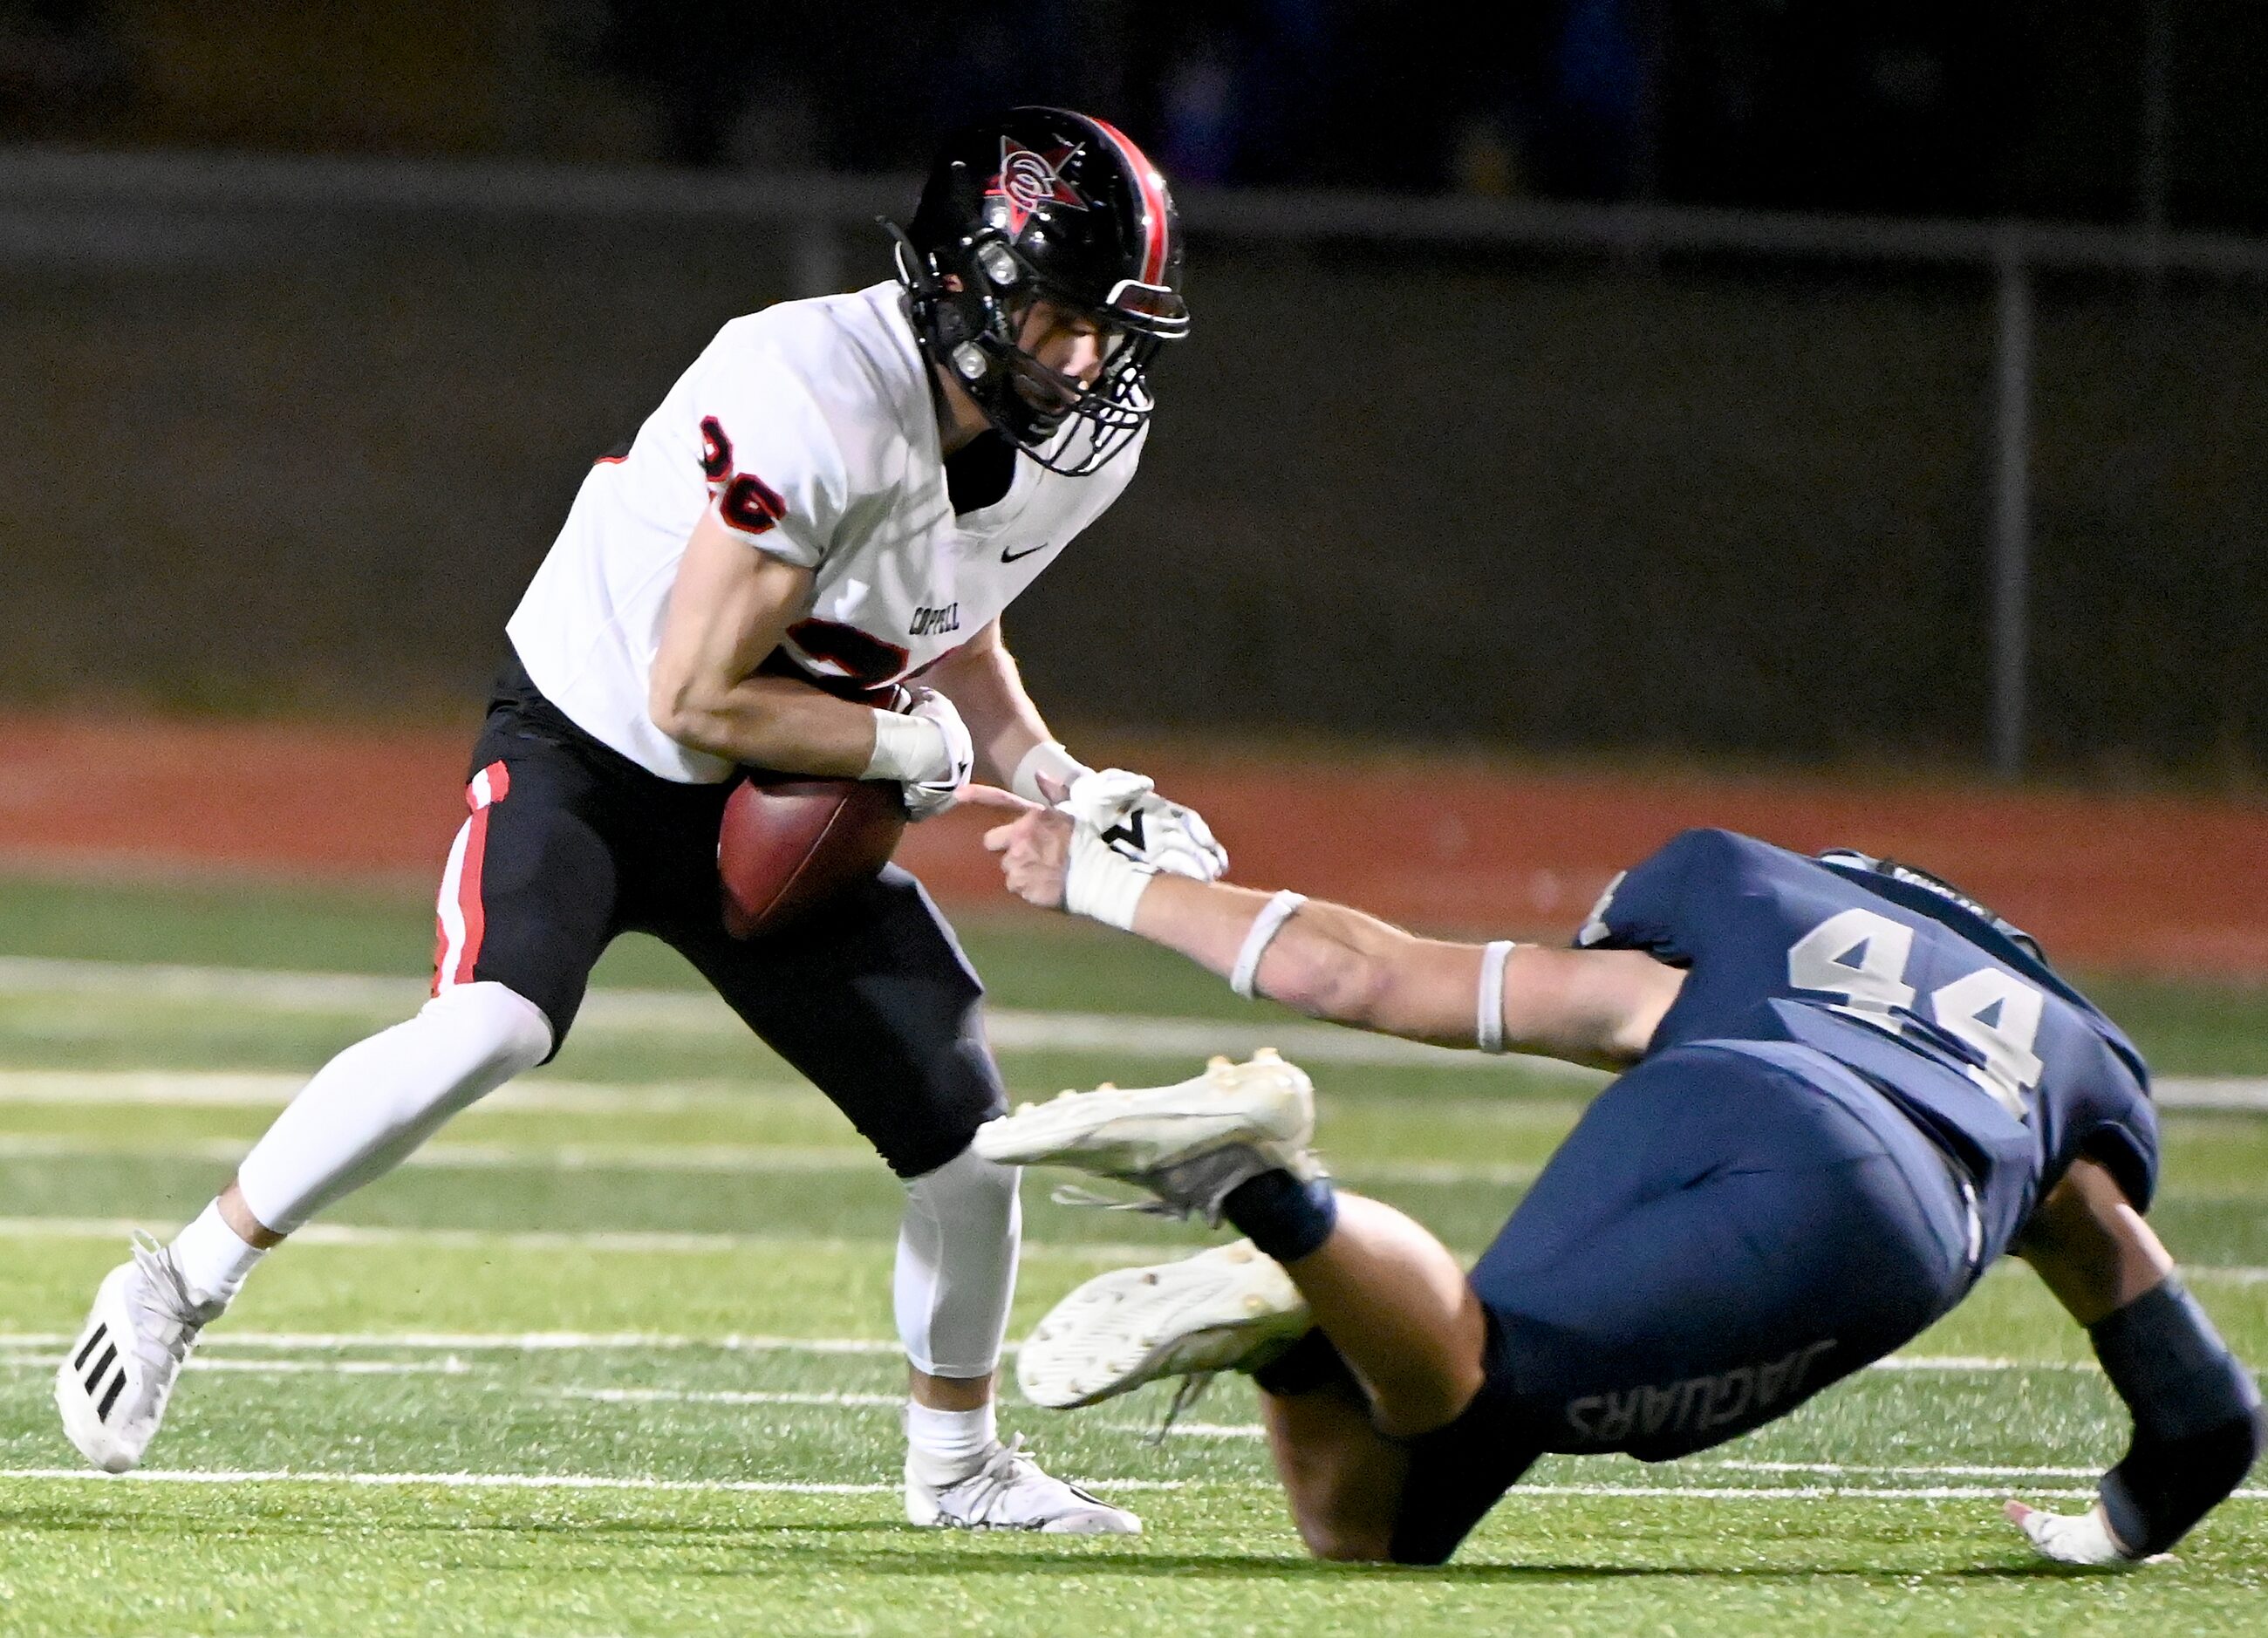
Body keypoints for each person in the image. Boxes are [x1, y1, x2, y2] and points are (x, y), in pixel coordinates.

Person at [55, 107, 1230, 1534]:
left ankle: (960, 1465)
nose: (1086, 363)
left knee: (967, 1140)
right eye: (1056, 320)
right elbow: (690, 697)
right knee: (492, 1021)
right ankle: (178, 1279)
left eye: (1108, 328)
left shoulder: (1078, 441)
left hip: (772, 782)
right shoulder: (813, 392)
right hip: (597, 742)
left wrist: (1050, 770)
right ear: (966, 284)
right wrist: (896, 741)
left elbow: (953, 611)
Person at [963, 788, 2261, 1565]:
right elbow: (2208, 1422)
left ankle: (1297, 1317)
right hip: (1886, 1188)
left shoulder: (1750, 922)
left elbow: (1360, 972)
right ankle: (1269, 1192)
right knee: (1477, 1380)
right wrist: (2121, 1523)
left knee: (1386, 1516)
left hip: (1714, 1081)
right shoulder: (2067, 1060)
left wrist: (1100, 879)